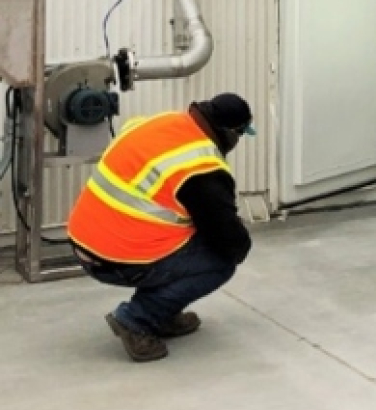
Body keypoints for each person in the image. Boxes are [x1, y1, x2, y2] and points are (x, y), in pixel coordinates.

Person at [67, 92, 256, 363]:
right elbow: (232, 243)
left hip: (84, 236)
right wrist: (235, 231)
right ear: (229, 133)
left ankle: (161, 315)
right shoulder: (201, 169)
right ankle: (136, 319)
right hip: (114, 257)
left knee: (194, 233)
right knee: (220, 262)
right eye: (240, 135)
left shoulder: (163, 122)